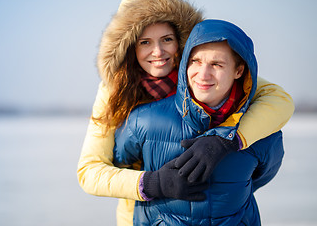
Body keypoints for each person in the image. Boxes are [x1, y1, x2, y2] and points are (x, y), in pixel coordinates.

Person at [77, 0, 294, 225]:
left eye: (167, 39)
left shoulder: (202, 72)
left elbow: (278, 100)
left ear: (180, 41)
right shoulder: (115, 90)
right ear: (130, 46)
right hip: (145, 211)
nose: (157, 52)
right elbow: (90, 171)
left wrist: (228, 140)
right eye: (145, 42)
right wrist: (153, 182)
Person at [113, 19, 285, 225]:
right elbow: (119, 161)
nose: (203, 75)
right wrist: (155, 183)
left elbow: (262, 175)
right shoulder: (145, 120)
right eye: (195, 61)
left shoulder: (261, 129)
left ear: (239, 71)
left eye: (216, 64)